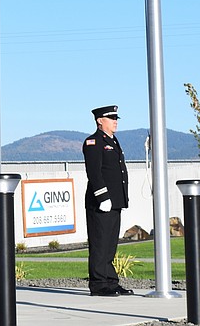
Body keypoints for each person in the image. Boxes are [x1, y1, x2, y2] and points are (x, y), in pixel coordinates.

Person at [82, 104, 132, 297]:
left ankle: (111, 282)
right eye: (112, 118)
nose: (115, 122)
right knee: (100, 244)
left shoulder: (113, 140)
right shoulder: (93, 142)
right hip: (101, 202)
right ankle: (99, 284)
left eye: (116, 119)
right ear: (100, 121)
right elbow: (94, 172)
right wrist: (103, 196)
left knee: (110, 245)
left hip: (115, 202)